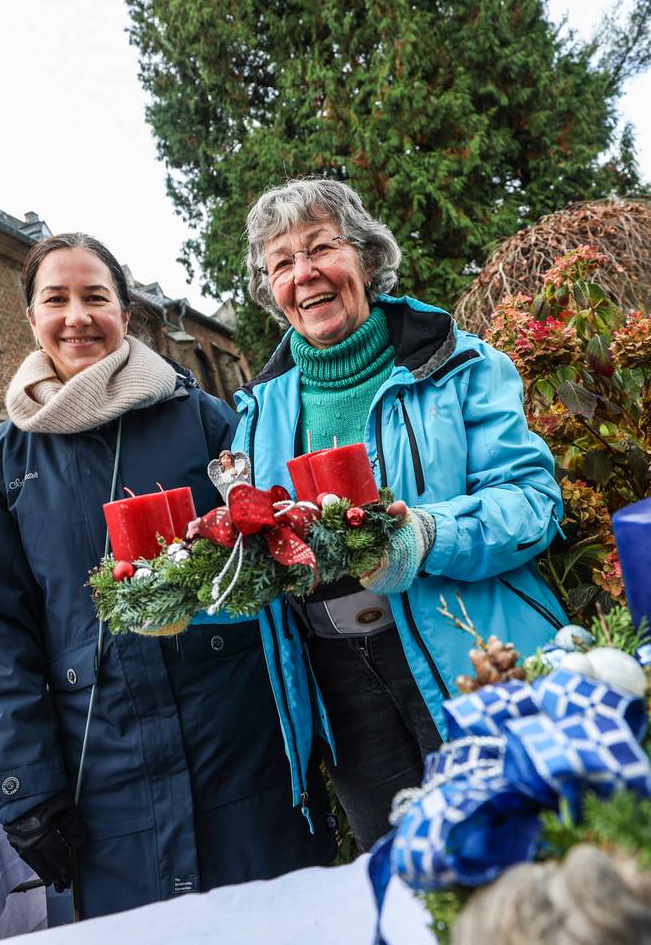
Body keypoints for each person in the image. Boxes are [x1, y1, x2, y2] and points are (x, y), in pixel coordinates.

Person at [0, 233, 333, 920]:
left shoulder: (206, 422)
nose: (77, 316)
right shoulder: (3, 461)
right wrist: (24, 785)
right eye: (55, 299)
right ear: (31, 319)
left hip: (239, 750)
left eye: (96, 296)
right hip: (105, 775)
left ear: (124, 312)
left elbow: (272, 550)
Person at [232, 177, 567, 850]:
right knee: (408, 871)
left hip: (469, 653)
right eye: (281, 263)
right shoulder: (256, 413)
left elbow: (533, 503)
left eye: (321, 247)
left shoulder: (459, 364)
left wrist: (427, 533)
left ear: (365, 256)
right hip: (338, 686)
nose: (304, 275)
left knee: (520, 857)